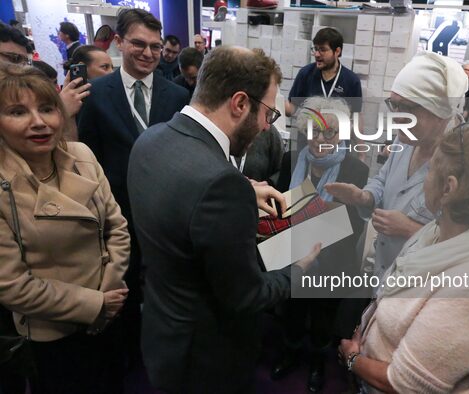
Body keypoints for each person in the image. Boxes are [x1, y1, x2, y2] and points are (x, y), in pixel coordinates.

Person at [128, 46, 320, 394]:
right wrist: (300, 266)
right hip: (206, 356)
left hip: (162, 330)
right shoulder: (220, 183)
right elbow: (247, 295)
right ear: (240, 103)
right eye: (268, 114)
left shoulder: (150, 139)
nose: (266, 126)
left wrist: (245, 191)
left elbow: (183, 207)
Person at [339, 122, 469, 393]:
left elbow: (406, 384)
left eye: (430, 170)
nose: (423, 178)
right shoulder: (439, 231)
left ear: (449, 188)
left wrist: (352, 359)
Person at [0, 63, 130, 393]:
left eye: (47, 108)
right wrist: (94, 304)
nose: (39, 122)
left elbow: (117, 227)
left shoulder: (81, 154)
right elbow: (13, 286)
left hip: (109, 314)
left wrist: (109, 293)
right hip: (54, 332)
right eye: (18, 112)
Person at [77, 8, 189, 369]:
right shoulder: (95, 93)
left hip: (163, 212)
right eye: (138, 44)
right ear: (120, 42)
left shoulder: (176, 96)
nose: (148, 53)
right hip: (117, 213)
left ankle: (159, 348)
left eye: (156, 47)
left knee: (163, 284)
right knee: (122, 285)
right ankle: (127, 352)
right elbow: (87, 155)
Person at [326, 51, 468, 285]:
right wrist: (365, 196)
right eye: (394, 104)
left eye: (408, 108)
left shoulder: (464, 165)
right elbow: (383, 179)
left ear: (440, 111)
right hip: (383, 275)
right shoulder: (406, 139)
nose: (397, 117)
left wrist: (412, 230)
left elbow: (464, 249)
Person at [271, 96, 369, 392]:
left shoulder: (356, 170)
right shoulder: (291, 159)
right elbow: (279, 208)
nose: (321, 139)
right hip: (292, 253)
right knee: (292, 311)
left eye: (330, 133)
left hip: (333, 258)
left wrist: (312, 223)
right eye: (315, 131)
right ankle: (289, 353)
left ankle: (316, 362)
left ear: (341, 135)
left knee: (323, 317)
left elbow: (354, 224)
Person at [287, 28, 361, 117]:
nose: (317, 54)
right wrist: (274, 100)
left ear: (337, 51)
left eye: (323, 50)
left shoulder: (352, 81)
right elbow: (291, 109)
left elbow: (357, 117)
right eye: (315, 49)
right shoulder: (305, 74)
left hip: (336, 130)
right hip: (308, 129)